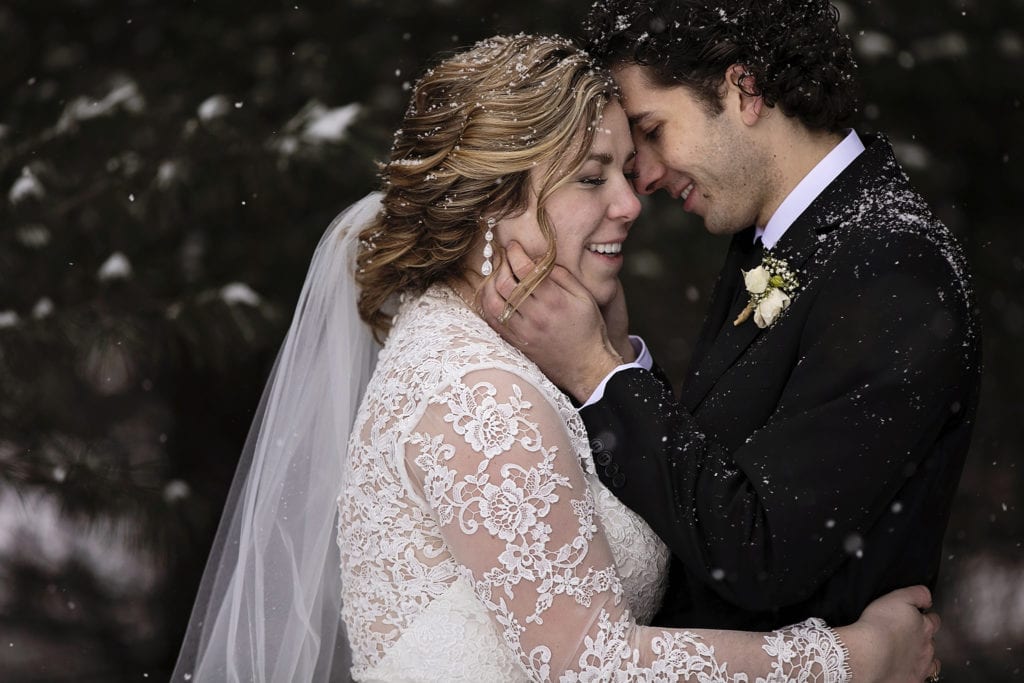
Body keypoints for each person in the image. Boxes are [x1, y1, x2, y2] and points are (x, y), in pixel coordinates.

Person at [173, 34, 942, 682]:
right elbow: (591, 665)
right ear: (491, 201)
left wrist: (609, 356)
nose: (630, 202)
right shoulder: (478, 395)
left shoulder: (485, 345)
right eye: (589, 177)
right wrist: (853, 656)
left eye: (624, 167)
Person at [481, 0, 980, 668]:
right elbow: (723, 471)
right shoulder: (774, 241)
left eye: (653, 132)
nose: (646, 176)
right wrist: (625, 363)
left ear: (742, 89)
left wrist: (598, 373)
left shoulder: (893, 266)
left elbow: (762, 551)